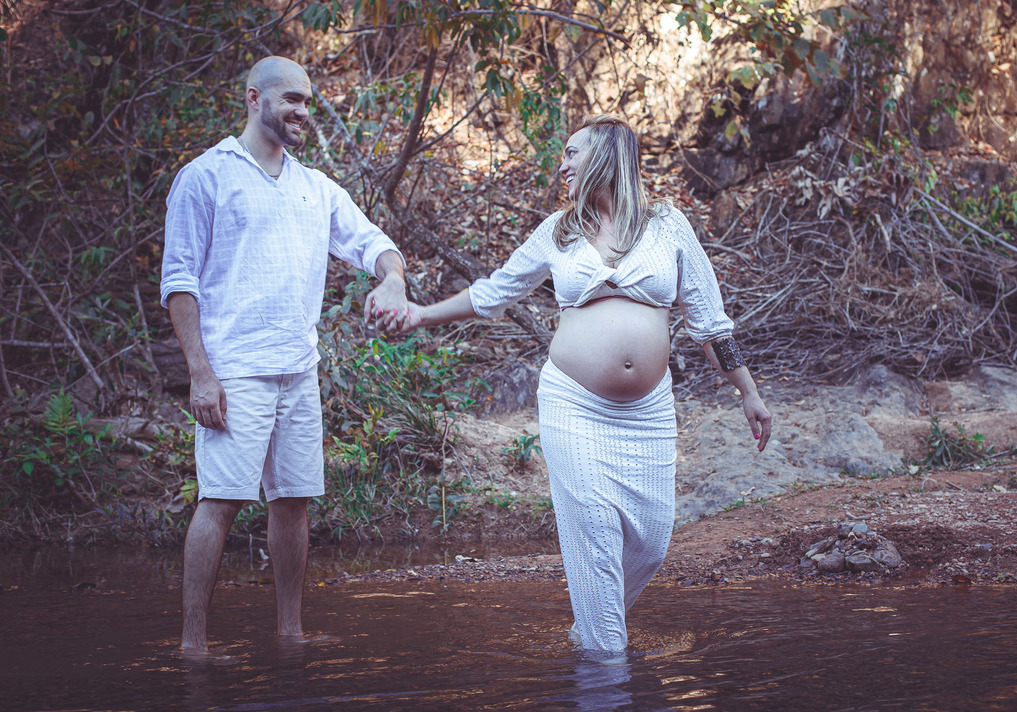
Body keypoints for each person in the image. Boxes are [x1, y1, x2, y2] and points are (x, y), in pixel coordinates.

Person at [390, 114, 771, 654]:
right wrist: (420, 315)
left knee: (652, 542)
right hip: (574, 404)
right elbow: (495, 293)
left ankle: (590, 633)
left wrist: (748, 393)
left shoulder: (668, 225)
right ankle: (604, 668)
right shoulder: (559, 231)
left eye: (572, 153)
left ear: (607, 156)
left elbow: (709, 322)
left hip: (648, 413)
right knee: (594, 532)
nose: (561, 165)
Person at [159, 55, 408, 655]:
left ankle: (290, 634)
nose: (303, 111)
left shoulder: (314, 186)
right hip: (234, 370)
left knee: (293, 500)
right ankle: (194, 645)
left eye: (308, 102)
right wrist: (201, 373)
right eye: (291, 99)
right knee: (220, 500)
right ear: (254, 98)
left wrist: (392, 279)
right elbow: (178, 280)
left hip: (299, 370)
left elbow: (373, 243)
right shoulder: (206, 176)